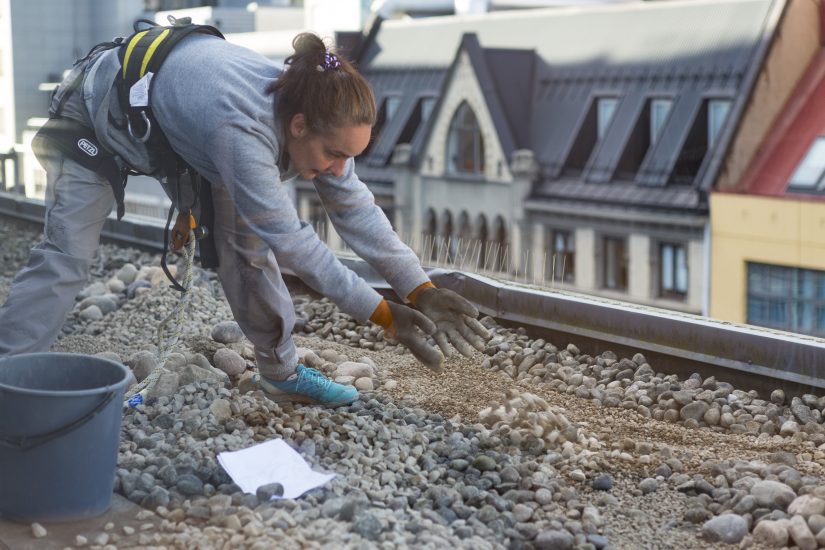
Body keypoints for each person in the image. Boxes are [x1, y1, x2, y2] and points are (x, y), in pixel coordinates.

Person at [0, 28, 489, 407]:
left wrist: (418, 288)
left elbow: (354, 207)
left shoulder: (316, 109)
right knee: (65, 259)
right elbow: (296, 243)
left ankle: (281, 373)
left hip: (176, 126)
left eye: (350, 157)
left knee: (247, 255)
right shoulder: (242, 131)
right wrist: (381, 314)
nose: (339, 169)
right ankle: (6, 375)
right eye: (335, 155)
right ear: (297, 126)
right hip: (93, 118)